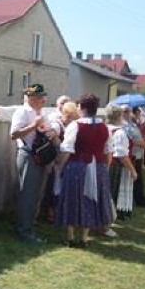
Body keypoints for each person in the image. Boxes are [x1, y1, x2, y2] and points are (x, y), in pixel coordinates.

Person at [54, 94, 115, 248]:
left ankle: (70, 237)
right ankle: (84, 238)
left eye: (79, 106)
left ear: (83, 108)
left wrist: (60, 166)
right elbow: (108, 150)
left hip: (77, 167)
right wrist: (105, 169)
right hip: (98, 167)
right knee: (90, 199)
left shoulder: (75, 125)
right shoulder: (104, 127)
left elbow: (67, 149)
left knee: (72, 199)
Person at [10, 83, 58, 244]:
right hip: (28, 155)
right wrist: (33, 125)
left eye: (43, 97)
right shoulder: (22, 112)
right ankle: (24, 230)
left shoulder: (40, 112)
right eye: (39, 97)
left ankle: (27, 227)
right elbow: (14, 134)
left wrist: (51, 132)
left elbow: (47, 129)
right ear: (30, 98)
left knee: (35, 195)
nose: (43, 100)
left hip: (39, 157)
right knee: (27, 195)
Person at [106, 105, 137, 223]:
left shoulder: (104, 128)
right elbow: (121, 155)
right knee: (111, 193)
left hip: (102, 164)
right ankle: (108, 220)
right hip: (114, 166)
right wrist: (133, 170)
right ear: (118, 116)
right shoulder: (119, 133)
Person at [130, 106, 145, 207]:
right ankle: (138, 199)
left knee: (138, 178)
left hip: (137, 154)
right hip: (132, 155)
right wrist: (141, 143)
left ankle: (137, 198)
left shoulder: (141, 124)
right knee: (136, 178)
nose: (140, 114)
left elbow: (144, 140)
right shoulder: (132, 127)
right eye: (138, 112)